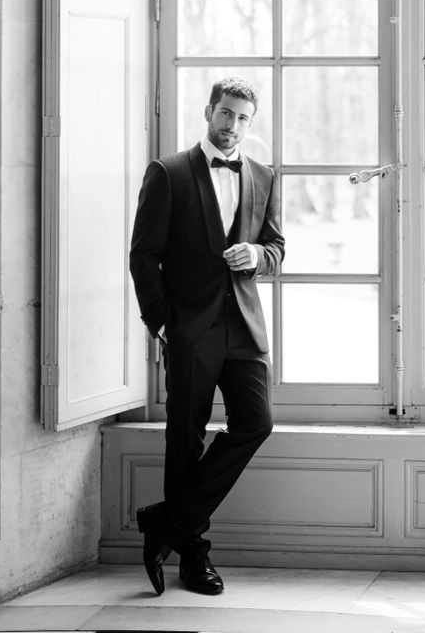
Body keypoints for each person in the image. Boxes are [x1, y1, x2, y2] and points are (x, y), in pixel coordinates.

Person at [128, 76, 284, 596]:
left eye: (242, 118)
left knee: (255, 423)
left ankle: (166, 520)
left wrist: (259, 256)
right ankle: (193, 556)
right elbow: (143, 255)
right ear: (208, 111)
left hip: (244, 327)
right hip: (190, 329)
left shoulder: (263, 175)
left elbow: (277, 246)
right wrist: (164, 323)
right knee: (184, 438)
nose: (232, 125)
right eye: (225, 113)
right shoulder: (168, 172)